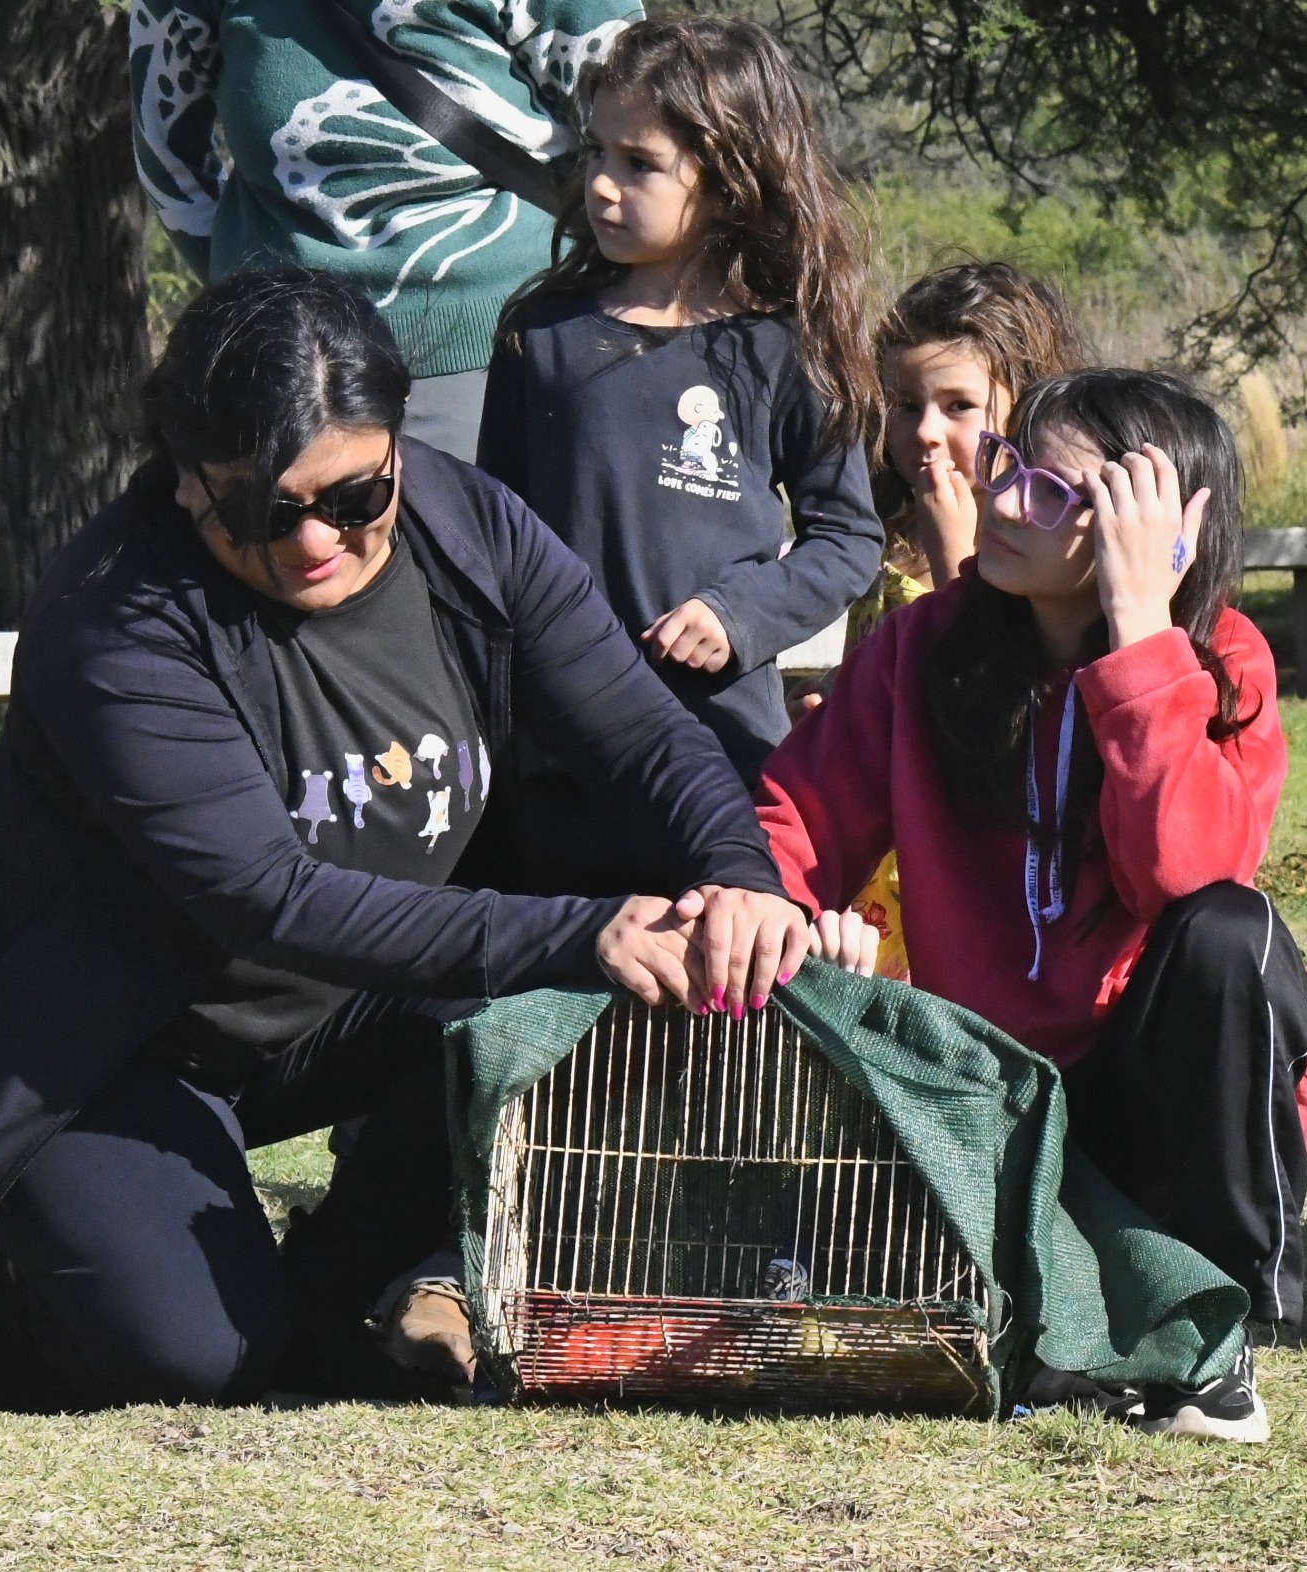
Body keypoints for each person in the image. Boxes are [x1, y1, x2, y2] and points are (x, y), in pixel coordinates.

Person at [0, 268, 810, 1413]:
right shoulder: (117, 623)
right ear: (185, 476)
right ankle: (36, 1275)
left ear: (398, 442)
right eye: (265, 510)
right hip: (95, 1043)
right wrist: (586, 932)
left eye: (356, 495)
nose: (317, 540)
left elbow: (641, 734)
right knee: (191, 1359)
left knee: (607, 974)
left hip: (323, 1008)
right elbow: (268, 896)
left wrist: (738, 878)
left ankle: (330, 1288)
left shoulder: (472, 526)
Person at [763, 368, 1307, 1443]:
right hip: (985, 1089)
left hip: (1151, 1097)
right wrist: (775, 910)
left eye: (1056, 493)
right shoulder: (924, 649)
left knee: (1230, 935)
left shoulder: (1224, 661)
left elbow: (1185, 873)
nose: (1005, 500)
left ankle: (1218, 1333)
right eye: (1009, 465)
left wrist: (1141, 636)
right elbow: (795, 818)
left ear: (1153, 530)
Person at [474, 16, 885, 891]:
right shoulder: (540, 333)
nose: (601, 184)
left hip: (720, 757)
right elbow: (489, 535)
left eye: (640, 163)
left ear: (730, 182)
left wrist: (737, 616)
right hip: (556, 761)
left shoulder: (781, 345)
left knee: (715, 969)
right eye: (596, 152)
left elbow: (848, 539)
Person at [128, 0, 642, 462]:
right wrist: (250, 299)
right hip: (282, 369)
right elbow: (169, 161)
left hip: (513, 349)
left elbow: (640, 123)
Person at [836, 262, 1093, 980]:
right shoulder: (888, 538)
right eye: (903, 404)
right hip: (882, 853)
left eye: (958, 406)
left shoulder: (1044, 552)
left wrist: (957, 561)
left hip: (975, 854)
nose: (925, 431)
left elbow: (997, 688)